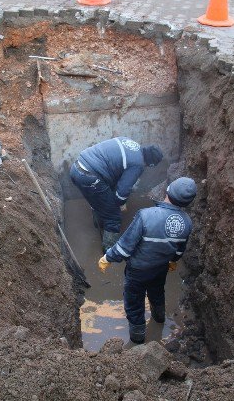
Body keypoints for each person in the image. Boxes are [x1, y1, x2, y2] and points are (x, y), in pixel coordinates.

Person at [98, 177, 197, 344]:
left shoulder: (146, 216)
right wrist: (173, 260)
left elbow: (125, 245)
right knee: (157, 293)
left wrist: (108, 257)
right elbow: (180, 248)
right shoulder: (187, 222)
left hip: (138, 270)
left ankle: (137, 340)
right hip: (160, 268)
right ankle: (159, 319)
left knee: (134, 302)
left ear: (167, 190)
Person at [70, 137, 163, 250]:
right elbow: (122, 192)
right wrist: (120, 204)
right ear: (150, 164)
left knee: (101, 198)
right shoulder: (138, 164)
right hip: (90, 177)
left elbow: (115, 171)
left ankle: (99, 222)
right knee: (113, 216)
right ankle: (109, 251)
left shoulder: (130, 142)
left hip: (77, 167)